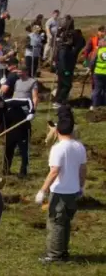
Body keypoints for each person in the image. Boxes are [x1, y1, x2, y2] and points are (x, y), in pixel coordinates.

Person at [36, 105, 87, 262]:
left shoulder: (58, 149)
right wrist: (81, 186)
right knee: (65, 222)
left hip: (60, 191)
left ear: (57, 131)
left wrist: (42, 191)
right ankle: (62, 251)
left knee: (56, 223)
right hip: (73, 191)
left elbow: (54, 171)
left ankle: (54, 255)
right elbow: (83, 169)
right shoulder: (79, 146)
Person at [0, 93, 34, 177]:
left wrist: (31, 113)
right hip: (10, 132)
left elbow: (28, 101)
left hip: (23, 130)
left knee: (24, 152)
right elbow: (1, 125)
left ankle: (23, 173)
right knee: (8, 151)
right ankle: (6, 171)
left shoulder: (11, 102)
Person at [54, 16, 84, 108]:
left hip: (61, 66)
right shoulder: (64, 48)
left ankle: (59, 101)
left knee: (61, 84)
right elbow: (81, 43)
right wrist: (65, 69)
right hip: (65, 67)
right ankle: (59, 101)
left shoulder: (60, 43)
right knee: (66, 85)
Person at [92, 36, 106, 110]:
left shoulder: (98, 51)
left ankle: (94, 105)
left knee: (97, 90)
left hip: (98, 73)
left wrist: (91, 69)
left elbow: (92, 62)